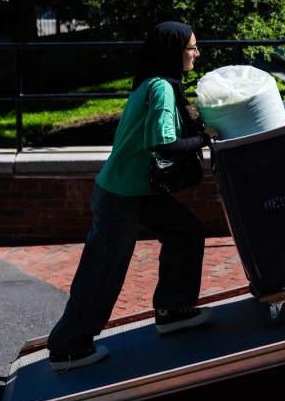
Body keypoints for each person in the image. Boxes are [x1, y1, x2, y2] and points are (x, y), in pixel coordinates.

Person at [46, 21, 215, 373]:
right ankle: (68, 348)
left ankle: (174, 309)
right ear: (173, 52)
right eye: (191, 48)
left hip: (136, 188)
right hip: (122, 194)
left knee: (185, 232)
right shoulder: (163, 89)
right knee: (103, 269)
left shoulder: (152, 82)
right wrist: (207, 139)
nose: (197, 54)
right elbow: (164, 142)